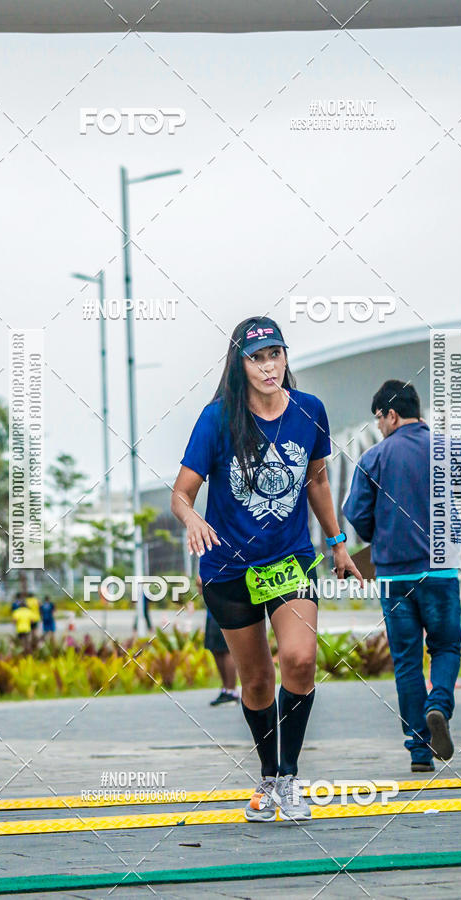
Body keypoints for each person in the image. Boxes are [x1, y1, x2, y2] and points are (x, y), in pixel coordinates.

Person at [172, 316, 362, 822]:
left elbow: (317, 482)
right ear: (241, 364)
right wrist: (191, 518)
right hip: (228, 568)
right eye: (256, 357)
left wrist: (338, 543)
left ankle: (290, 776)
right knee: (256, 680)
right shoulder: (218, 418)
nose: (268, 366)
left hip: (289, 559)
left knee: (299, 662)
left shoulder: (309, 411)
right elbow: (181, 492)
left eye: (274, 354)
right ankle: (269, 775)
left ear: (285, 357)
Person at [343, 380, 461, 773]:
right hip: (440, 572)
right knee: (446, 647)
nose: (379, 427)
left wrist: (382, 535)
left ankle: (419, 752)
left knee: (405, 661)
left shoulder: (374, 458)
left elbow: (359, 516)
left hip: (394, 575)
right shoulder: (448, 447)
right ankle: (439, 707)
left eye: (379, 419)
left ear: (391, 414)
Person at [196, 575, 240, 706]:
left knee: (226, 650)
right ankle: (225, 688)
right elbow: (200, 590)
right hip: (212, 611)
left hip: (226, 608)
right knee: (215, 649)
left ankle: (232, 691)